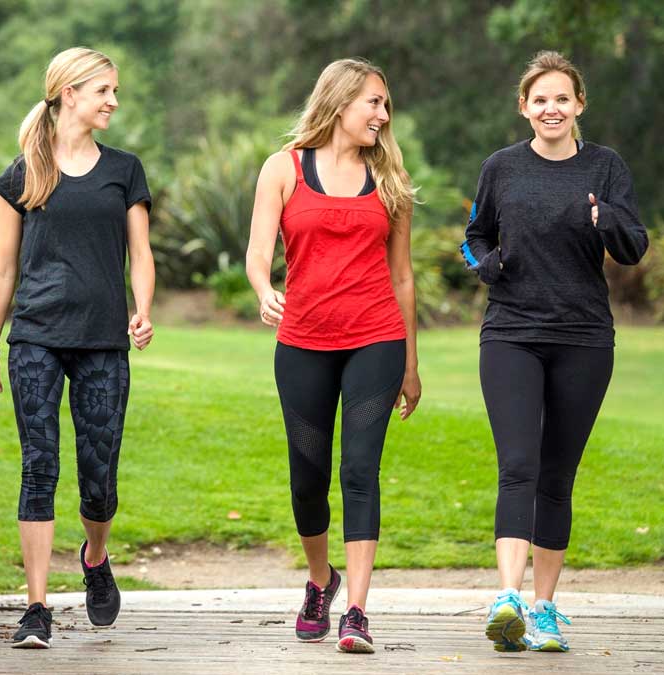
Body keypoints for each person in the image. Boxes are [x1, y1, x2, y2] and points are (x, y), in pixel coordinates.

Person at [461, 50, 648, 653]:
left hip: (584, 338)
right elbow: (474, 236)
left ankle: (544, 610)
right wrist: (487, 264)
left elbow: (634, 246)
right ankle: (508, 599)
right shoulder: (501, 168)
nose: (551, 108)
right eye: (540, 99)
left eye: (562, 98)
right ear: (524, 107)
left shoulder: (606, 167)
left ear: (579, 105)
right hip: (512, 333)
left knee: (557, 477)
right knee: (518, 464)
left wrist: (605, 219)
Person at [0, 46, 156, 649]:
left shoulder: (124, 169)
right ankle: (36, 607)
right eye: (103, 89)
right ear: (69, 93)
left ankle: (94, 556)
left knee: (98, 479)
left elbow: (141, 254)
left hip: (104, 341)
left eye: (114, 90)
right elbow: (3, 270)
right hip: (35, 340)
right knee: (39, 467)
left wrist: (143, 310)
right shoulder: (22, 173)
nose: (113, 100)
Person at [245, 58, 422, 654]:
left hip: (376, 338)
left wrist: (412, 365)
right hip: (303, 342)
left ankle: (357, 612)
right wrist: (266, 289)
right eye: (374, 101)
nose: (382, 113)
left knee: (359, 469)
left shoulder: (390, 175)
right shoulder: (284, 168)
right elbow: (256, 250)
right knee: (308, 478)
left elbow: (403, 277)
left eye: (385, 104)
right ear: (341, 102)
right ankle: (321, 582)